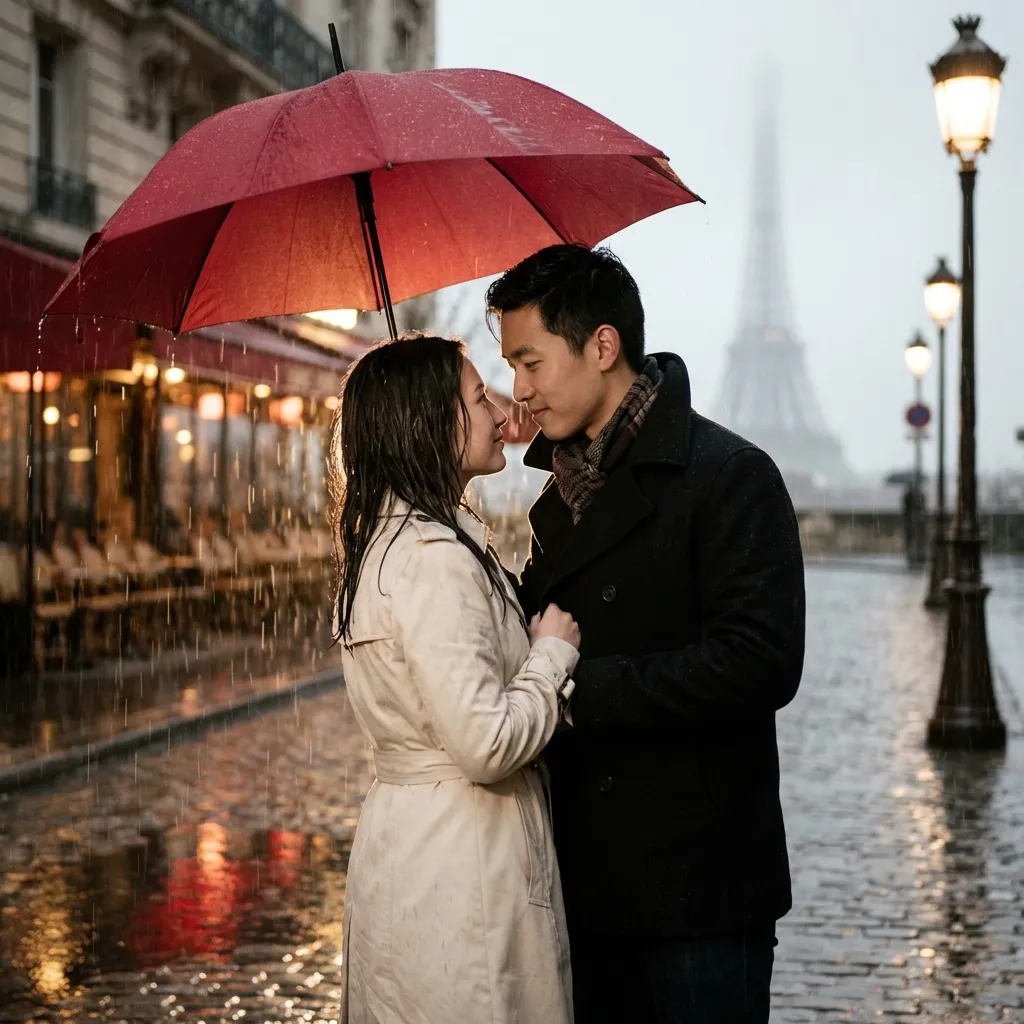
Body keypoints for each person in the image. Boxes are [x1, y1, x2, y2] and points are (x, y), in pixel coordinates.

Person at [486, 244, 806, 1024]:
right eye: (511, 367)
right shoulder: (565, 490)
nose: (519, 391)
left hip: (698, 894)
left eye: (530, 363)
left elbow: (762, 662)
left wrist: (579, 690)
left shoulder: (731, 474)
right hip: (584, 884)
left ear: (602, 346)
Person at [330, 333, 580, 1024]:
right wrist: (551, 658)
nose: (502, 411)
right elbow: (486, 744)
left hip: (413, 846)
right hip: (463, 859)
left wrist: (500, 421)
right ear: (430, 424)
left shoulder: (387, 543)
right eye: (479, 398)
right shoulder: (433, 558)